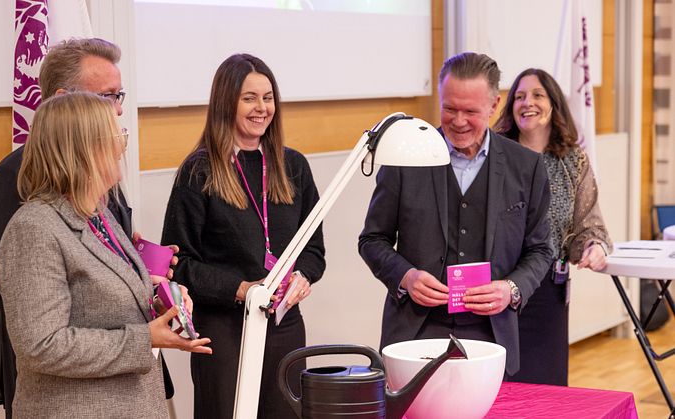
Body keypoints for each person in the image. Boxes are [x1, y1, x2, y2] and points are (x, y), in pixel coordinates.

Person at [0, 38, 176, 418]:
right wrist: (138, 338)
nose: (118, 114)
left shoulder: (97, 203)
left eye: (119, 97)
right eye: (106, 100)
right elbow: (26, 317)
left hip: (127, 395)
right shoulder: (26, 207)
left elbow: (104, 270)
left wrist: (153, 284)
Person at [0, 92, 212, 418]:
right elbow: (41, 346)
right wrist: (143, 340)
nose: (122, 144)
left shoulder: (97, 212)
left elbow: (101, 301)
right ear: (83, 149)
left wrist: (161, 298)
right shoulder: (34, 229)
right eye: (116, 134)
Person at [358, 52, 553, 376]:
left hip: (492, 336)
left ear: (494, 106)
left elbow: (540, 249)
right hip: (413, 334)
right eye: (450, 108)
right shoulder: (404, 157)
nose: (458, 121)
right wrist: (406, 277)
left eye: (470, 111)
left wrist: (510, 289)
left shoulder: (526, 167)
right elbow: (372, 239)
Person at [161, 53, 326, 418]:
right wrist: (243, 289)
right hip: (223, 329)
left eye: (267, 98)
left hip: (283, 325)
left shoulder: (294, 166)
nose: (261, 108)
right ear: (225, 103)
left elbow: (314, 249)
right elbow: (179, 264)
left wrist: (303, 277)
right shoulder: (199, 170)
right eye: (249, 98)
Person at [494, 68, 612, 385]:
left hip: (548, 292)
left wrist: (595, 247)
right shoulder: (495, 156)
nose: (526, 103)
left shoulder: (573, 161)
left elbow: (588, 223)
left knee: (548, 389)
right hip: (497, 290)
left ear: (554, 103)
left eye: (536, 95)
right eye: (518, 96)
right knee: (500, 387)